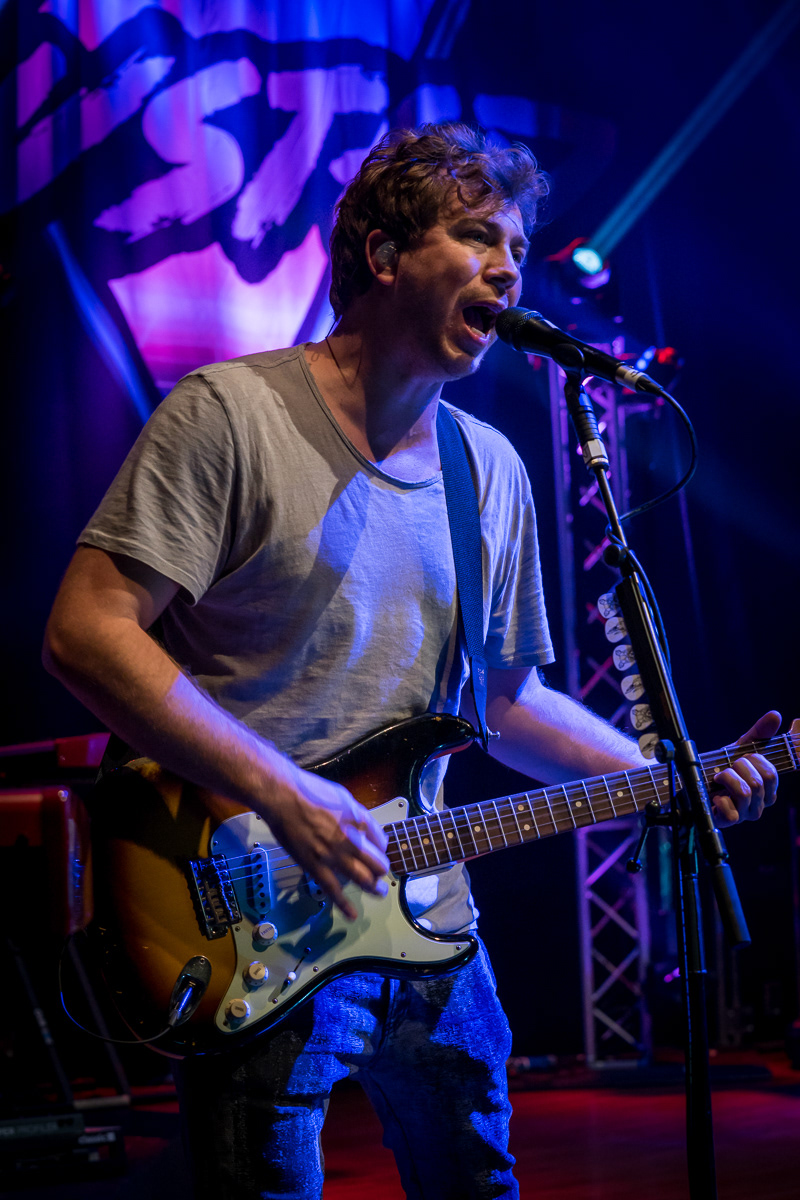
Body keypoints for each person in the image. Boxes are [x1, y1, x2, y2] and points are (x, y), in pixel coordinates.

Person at [43, 124, 779, 1199]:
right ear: (383, 255)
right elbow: (86, 629)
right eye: (476, 237)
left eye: (515, 248)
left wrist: (668, 782)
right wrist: (284, 792)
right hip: (248, 914)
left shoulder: (489, 469)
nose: (507, 269)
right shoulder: (228, 417)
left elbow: (509, 703)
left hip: (429, 915)